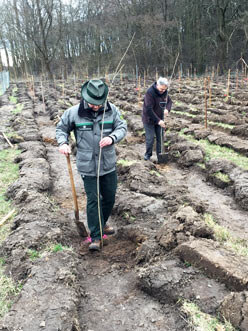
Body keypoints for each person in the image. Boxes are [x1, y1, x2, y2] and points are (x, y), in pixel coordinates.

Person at [56, 79, 127, 251]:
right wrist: (62, 143)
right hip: (87, 165)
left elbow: (122, 127)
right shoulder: (73, 113)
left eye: (99, 103)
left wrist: (112, 138)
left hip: (107, 163)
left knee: (109, 197)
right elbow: (61, 129)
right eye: (93, 103)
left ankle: (101, 223)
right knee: (93, 199)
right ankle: (95, 236)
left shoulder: (112, 110)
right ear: (85, 98)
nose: (96, 107)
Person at [142, 77, 172, 161]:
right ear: (157, 85)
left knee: (160, 138)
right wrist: (158, 121)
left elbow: (169, 102)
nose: (163, 91)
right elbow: (149, 109)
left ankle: (160, 157)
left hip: (160, 118)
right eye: (161, 89)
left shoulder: (165, 92)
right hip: (149, 119)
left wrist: (167, 109)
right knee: (150, 138)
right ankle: (148, 155)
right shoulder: (150, 92)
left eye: (164, 89)